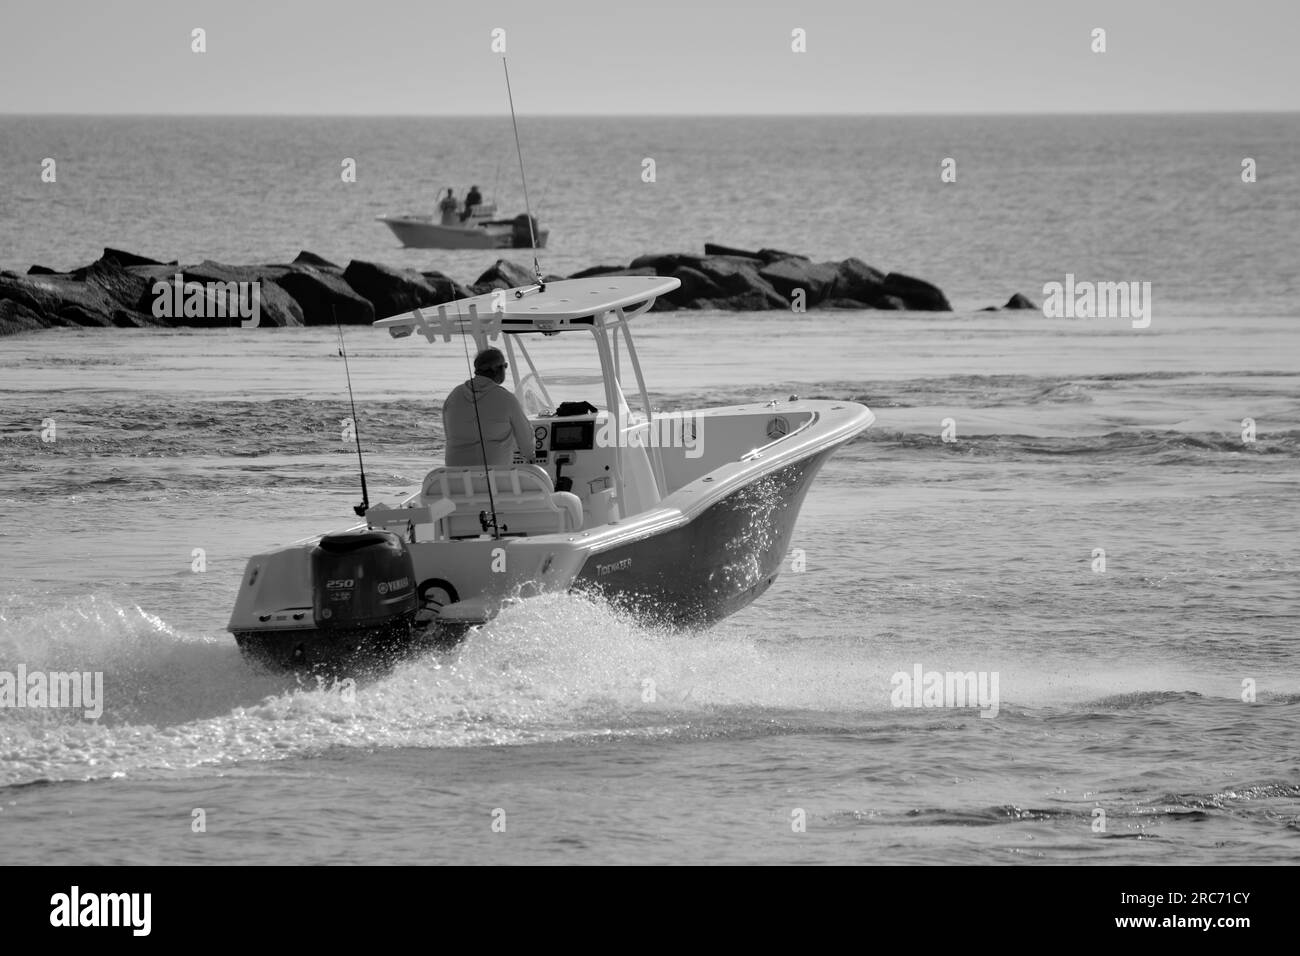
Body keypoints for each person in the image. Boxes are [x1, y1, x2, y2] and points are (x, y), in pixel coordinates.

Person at [442, 348, 537, 467]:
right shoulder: (506, 399)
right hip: (495, 480)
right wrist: (530, 456)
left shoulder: (454, 395)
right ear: (497, 369)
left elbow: (449, 434)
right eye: (505, 366)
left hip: (454, 479)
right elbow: (527, 444)